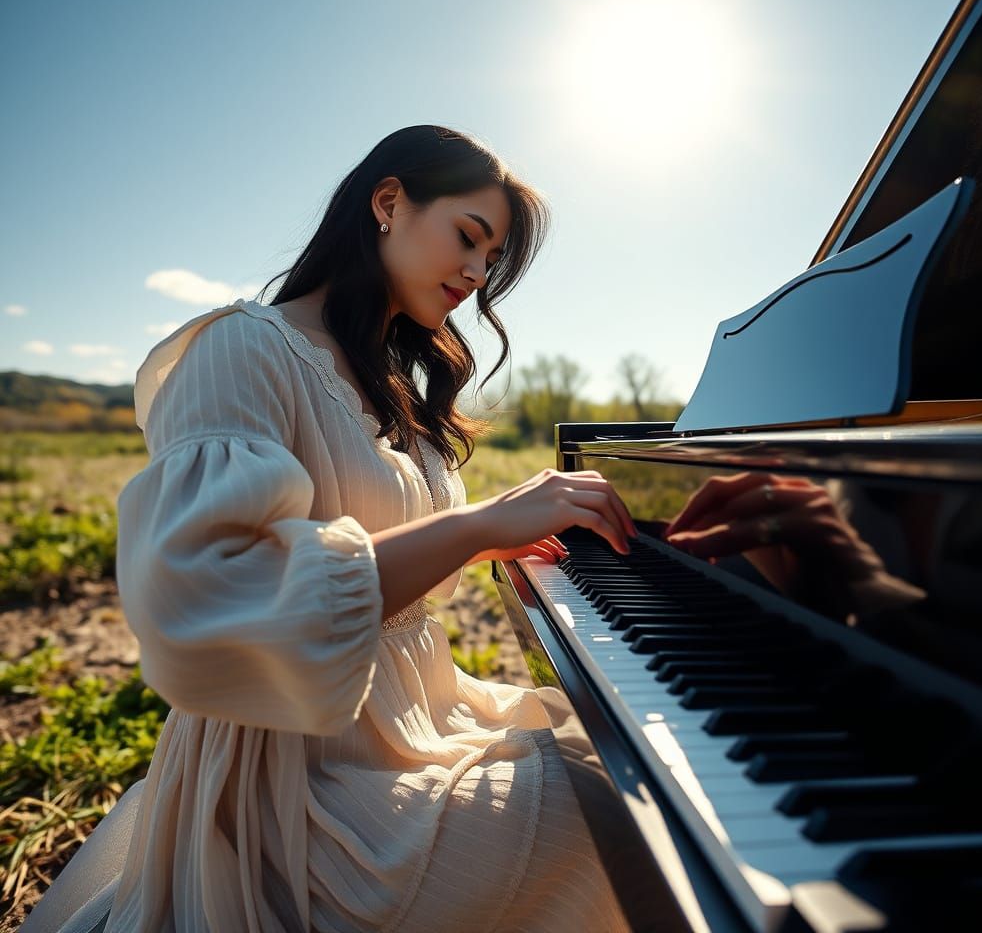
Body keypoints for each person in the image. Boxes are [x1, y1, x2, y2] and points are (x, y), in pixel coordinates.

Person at [23, 125, 635, 932]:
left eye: (491, 263)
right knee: (611, 814)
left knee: (627, 766)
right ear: (389, 202)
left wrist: (487, 535)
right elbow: (209, 589)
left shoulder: (390, 384)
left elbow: (385, 542)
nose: (477, 275)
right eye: (469, 238)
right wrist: (474, 525)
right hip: (298, 779)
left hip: (411, 721)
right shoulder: (242, 349)